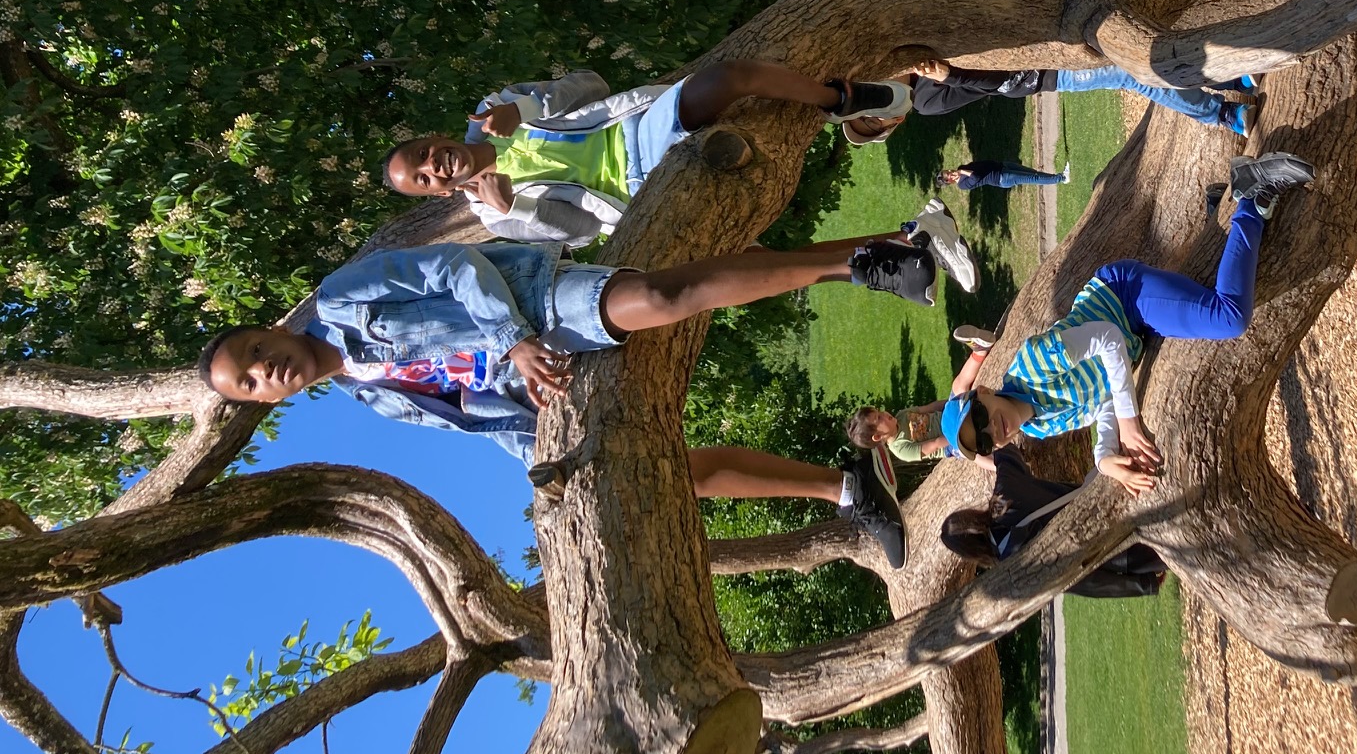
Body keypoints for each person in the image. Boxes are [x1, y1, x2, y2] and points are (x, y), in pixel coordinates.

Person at [195, 235, 954, 565]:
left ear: (269, 330)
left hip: (534, 307)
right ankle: (849, 489)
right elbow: (481, 420)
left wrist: (512, 338)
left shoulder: (340, 299)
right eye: (254, 382)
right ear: (265, 402)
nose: (268, 370)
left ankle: (862, 266)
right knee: (658, 472)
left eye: (257, 353)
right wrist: (546, 467)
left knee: (663, 294)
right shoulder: (376, 403)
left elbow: (455, 268)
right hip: (541, 387)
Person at [937, 152, 1315, 497]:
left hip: (1124, 300)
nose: (992, 431)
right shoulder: (1038, 427)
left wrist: (1129, 422)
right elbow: (1100, 401)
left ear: (983, 391)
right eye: (984, 442)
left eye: (980, 418)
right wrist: (1104, 458)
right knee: (1202, 321)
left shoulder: (1033, 365)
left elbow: (1107, 338)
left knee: (1228, 317)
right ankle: (1218, 208)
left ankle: (1250, 193)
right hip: (1137, 332)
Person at [381, 65, 952, 269]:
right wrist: (519, 205)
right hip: (637, 195)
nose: (435, 165)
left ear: (433, 137)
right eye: (427, 178)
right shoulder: (497, 218)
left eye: (424, 154)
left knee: (728, 80)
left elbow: (593, 84)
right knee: (757, 266)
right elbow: (582, 233)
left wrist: (526, 107)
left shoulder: (494, 110)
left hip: (636, 129)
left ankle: (840, 102)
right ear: (437, 194)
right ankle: (910, 242)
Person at [938, 443, 1168, 598]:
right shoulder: (1006, 494)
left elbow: (1082, 581)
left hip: (1120, 552)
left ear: (971, 553)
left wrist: (1143, 584)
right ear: (970, 514)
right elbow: (1005, 450)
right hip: (1120, 496)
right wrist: (969, 448)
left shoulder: (1015, 568)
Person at [840, 60, 1259, 145]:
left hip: (1044, 36)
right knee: (1134, 75)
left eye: (866, 111)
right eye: (875, 123)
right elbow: (984, 87)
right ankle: (1223, 111)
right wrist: (951, 75)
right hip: (1041, 74)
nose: (876, 113)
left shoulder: (908, 49)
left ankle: (1227, 79)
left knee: (1137, 61)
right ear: (893, 122)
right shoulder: (928, 99)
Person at [843, 325, 995, 463]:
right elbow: (934, 445)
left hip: (948, 414)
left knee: (958, 384)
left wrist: (952, 402)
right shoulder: (901, 449)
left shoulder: (902, 415)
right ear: (878, 436)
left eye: (879, 411)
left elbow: (930, 407)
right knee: (976, 455)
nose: (884, 413)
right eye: (878, 418)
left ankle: (980, 350)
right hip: (950, 441)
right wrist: (957, 434)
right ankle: (1002, 466)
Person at [939, 159, 1069, 192]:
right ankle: (1062, 178)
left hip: (1002, 167)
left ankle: (1058, 176)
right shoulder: (962, 184)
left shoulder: (961, 167)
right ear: (949, 181)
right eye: (948, 175)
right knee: (1032, 178)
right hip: (1001, 178)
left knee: (1033, 173)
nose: (950, 172)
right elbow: (976, 177)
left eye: (947, 171)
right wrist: (962, 173)